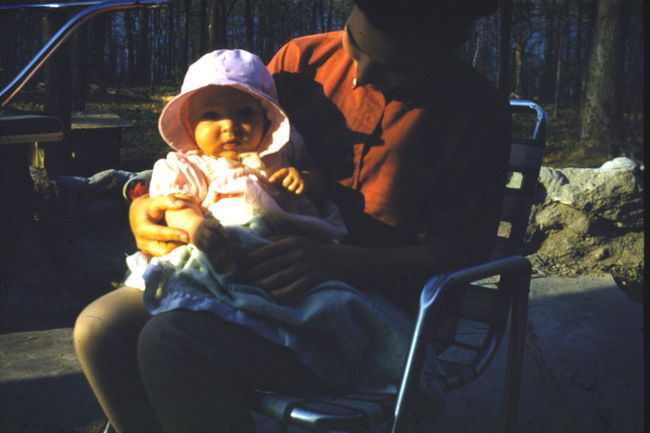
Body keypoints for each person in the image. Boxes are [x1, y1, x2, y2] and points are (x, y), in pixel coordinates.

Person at [74, 1, 511, 432]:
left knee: (170, 342)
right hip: (242, 270)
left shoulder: (474, 112)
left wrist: (339, 261)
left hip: (359, 310)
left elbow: (459, 252)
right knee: (99, 329)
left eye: (394, 68)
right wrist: (146, 209)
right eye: (354, 45)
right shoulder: (300, 62)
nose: (361, 74)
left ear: (445, 45)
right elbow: (210, 148)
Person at [124, 48, 346, 287]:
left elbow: (319, 184)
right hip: (218, 249)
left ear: (267, 117)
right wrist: (195, 227)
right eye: (211, 115)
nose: (230, 125)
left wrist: (305, 179)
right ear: (190, 125)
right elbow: (177, 206)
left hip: (282, 255)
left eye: (245, 113)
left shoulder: (284, 150)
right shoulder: (187, 166)